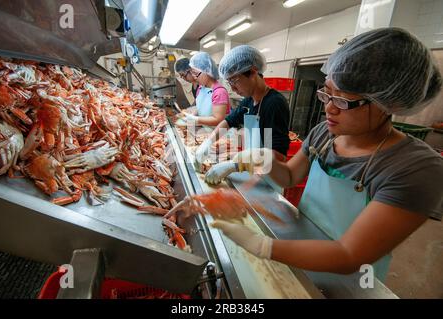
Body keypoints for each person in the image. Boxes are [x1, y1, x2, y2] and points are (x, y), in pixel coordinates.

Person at [172, 28, 443, 281]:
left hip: (352, 279)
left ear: (387, 102)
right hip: (299, 249)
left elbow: (350, 255)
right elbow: (290, 175)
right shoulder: (325, 133)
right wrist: (261, 159)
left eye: (343, 100)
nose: (329, 109)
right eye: (327, 93)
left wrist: (263, 246)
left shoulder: (415, 168)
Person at [196, 45, 290, 189]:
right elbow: (228, 121)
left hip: (269, 180)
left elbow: (278, 155)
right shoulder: (249, 100)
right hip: (251, 172)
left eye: (234, 81)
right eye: (229, 82)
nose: (232, 88)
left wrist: (235, 165)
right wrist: (208, 143)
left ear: (252, 72)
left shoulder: (274, 103)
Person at [181, 52, 230, 127]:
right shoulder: (200, 88)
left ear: (207, 71)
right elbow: (200, 108)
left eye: (196, 73)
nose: (194, 77)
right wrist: (192, 115)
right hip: (204, 132)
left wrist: (195, 119)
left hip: (219, 135)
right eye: (192, 73)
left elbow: (218, 120)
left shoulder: (219, 92)